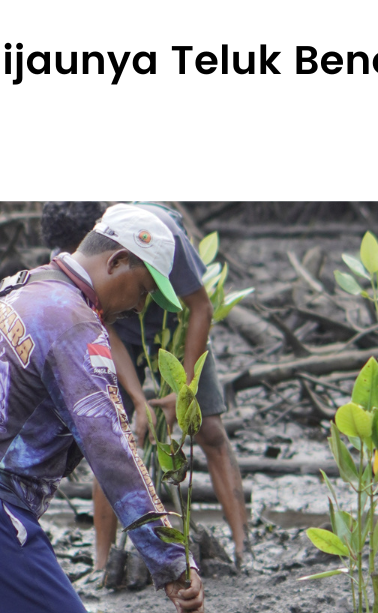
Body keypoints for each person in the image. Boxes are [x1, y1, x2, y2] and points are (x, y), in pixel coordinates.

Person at [0, 204, 204, 613]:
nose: (139, 307)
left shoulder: (4, 295)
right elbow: (110, 447)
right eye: (142, 290)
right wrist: (171, 558)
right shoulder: (74, 319)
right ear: (116, 261)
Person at [40, 202, 250, 570]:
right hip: (118, 329)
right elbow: (100, 326)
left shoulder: (159, 235)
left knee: (210, 429)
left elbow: (199, 307)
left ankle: (244, 549)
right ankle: (103, 563)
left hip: (177, 325)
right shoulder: (67, 256)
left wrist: (182, 391)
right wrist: (137, 400)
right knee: (111, 436)